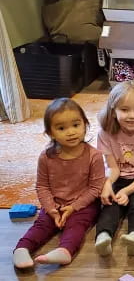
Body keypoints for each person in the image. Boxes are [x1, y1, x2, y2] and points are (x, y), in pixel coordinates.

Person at [13, 98, 104, 268]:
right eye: (61, 128)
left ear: (85, 125)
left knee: (76, 226)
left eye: (76, 125)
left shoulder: (94, 156)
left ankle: (65, 251)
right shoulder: (46, 157)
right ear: (50, 133)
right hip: (54, 205)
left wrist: (74, 207)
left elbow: (95, 188)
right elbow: (42, 186)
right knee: (42, 224)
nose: (70, 132)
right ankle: (22, 248)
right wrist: (52, 209)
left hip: (83, 205)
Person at [95, 81, 134, 256]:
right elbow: (113, 168)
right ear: (113, 111)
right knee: (110, 205)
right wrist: (107, 184)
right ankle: (103, 236)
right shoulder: (105, 132)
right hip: (119, 177)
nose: (132, 116)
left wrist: (127, 191)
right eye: (124, 110)